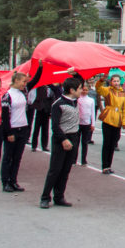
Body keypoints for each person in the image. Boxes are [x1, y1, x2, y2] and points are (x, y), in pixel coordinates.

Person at [0, 65, 45, 192]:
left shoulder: (24, 91)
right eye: (23, 81)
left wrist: (40, 67)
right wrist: (9, 132)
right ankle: (6, 182)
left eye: (26, 82)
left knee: (17, 157)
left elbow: (36, 80)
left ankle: (14, 181)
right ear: (15, 81)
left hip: (23, 128)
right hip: (12, 129)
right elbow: (5, 117)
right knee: (8, 157)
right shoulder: (7, 96)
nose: (25, 84)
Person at [39, 76, 82, 208]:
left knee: (66, 170)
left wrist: (74, 73)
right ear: (71, 90)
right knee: (55, 170)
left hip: (74, 137)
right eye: (79, 88)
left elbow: (80, 78)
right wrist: (63, 139)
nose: (81, 90)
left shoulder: (75, 101)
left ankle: (59, 196)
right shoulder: (58, 104)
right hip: (61, 139)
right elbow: (55, 126)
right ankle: (45, 197)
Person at [30, 82, 59, 152]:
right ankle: (34, 145)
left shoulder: (51, 90)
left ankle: (44, 145)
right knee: (36, 129)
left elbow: (52, 100)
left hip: (47, 111)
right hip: (40, 110)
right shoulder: (40, 88)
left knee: (45, 129)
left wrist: (51, 111)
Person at [76, 82, 95, 166]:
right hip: (78, 123)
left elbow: (92, 112)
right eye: (83, 90)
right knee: (76, 142)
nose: (84, 91)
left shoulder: (91, 100)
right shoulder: (78, 99)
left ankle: (84, 160)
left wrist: (93, 124)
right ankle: (74, 159)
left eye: (86, 90)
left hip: (87, 123)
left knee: (84, 142)